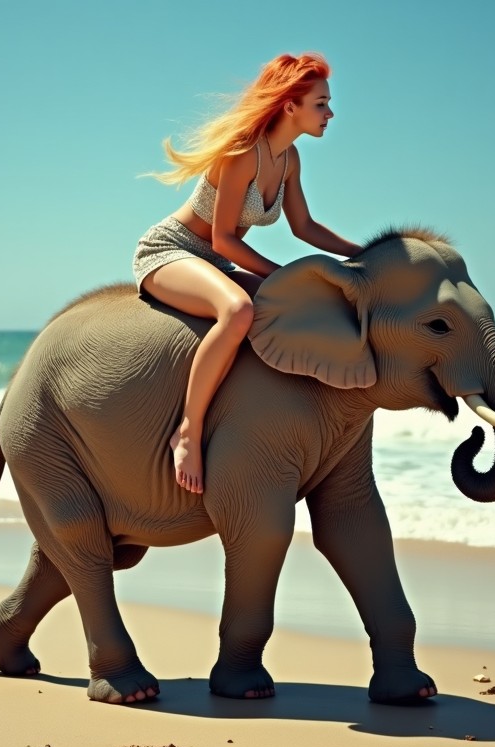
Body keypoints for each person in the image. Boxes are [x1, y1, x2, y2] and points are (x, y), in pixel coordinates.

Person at [133, 52, 361, 495]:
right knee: (237, 311)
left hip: (213, 262)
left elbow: (305, 227)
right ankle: (188, 431)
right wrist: (286, 275)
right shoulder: (243, 153)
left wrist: (366, 253)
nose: (330, 113)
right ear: (290, 105)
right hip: (171, 252)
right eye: (321, 103)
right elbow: (223, 240)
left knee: (288, 306)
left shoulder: (290, 159)